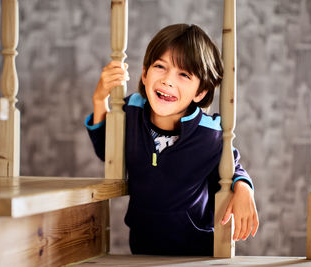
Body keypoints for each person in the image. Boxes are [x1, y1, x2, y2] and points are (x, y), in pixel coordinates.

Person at [85, 24, 259, 256]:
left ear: (200, 92)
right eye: (160, 67)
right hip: (143, 245)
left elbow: (233, 166)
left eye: (184, 74)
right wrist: (99, 100)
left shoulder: (210, 132)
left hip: (198, 250)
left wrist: (244, 189)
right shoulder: (131, 111)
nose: (168, 80)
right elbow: (107, 152)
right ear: (145, 74)